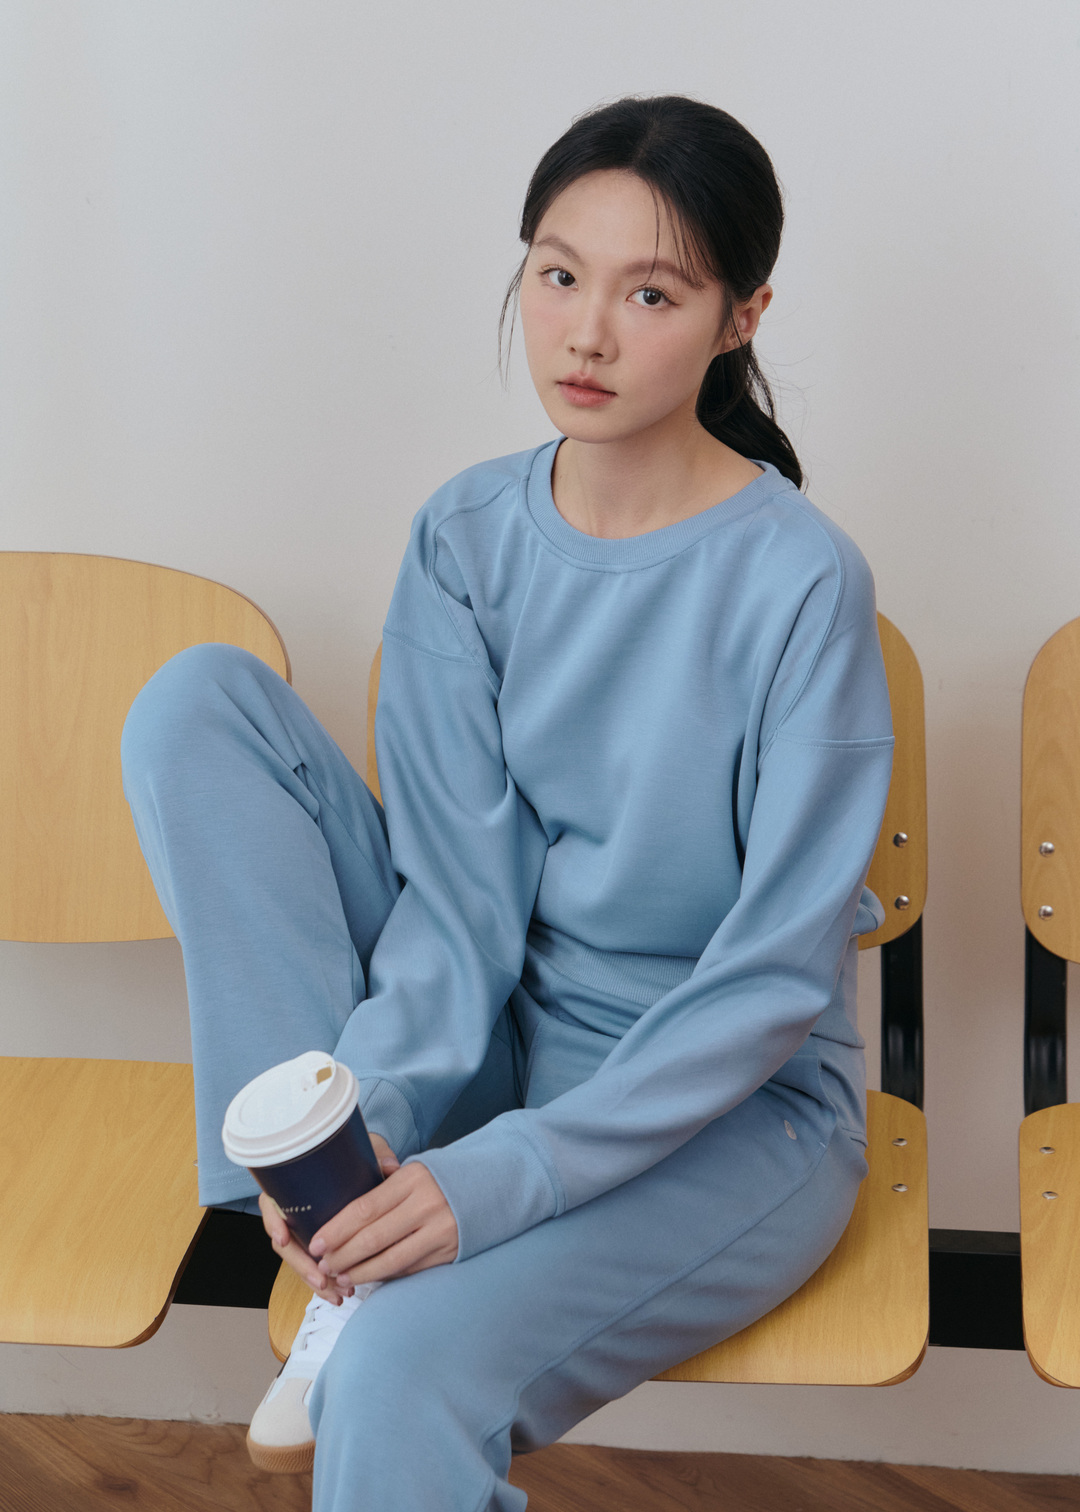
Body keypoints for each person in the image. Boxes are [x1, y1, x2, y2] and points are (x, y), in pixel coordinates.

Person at [122, 94, 894, 1512]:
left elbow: (774, 979)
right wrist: (376, 1116)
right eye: (558, 274)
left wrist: (500, 1179)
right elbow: (458, 906)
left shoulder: (801, 581)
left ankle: (375, 1305)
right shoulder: (466, 534)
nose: (585, 334)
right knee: (200, 706)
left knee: (397, 1380)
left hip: (735, 1112)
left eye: (650, 293)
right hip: (503, 1038)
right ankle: (326, 1195)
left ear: (741, 317)